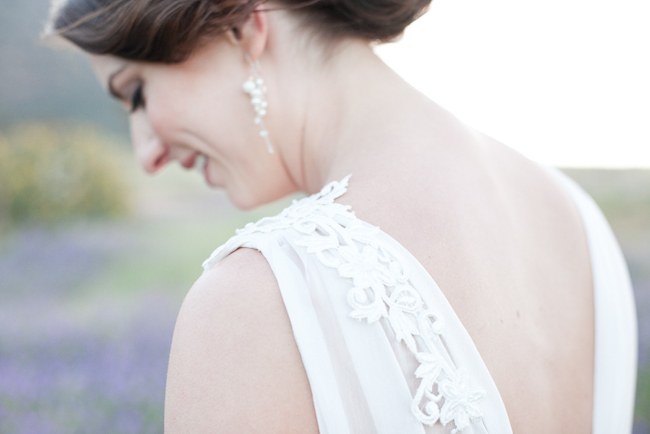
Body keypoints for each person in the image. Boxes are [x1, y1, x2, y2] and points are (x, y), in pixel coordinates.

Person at [46, 1, 637, 432]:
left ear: (242, 25)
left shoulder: (255, 302)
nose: (146, 153)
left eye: (138, 93)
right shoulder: (579, 220)